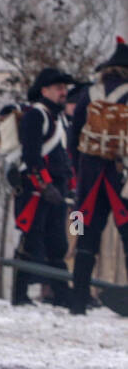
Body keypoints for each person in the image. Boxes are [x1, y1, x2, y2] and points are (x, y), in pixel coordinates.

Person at [69, 41, 128, 315]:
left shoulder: (88, 93)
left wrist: (78, 169)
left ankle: (77, 299)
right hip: (121, 178)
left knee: (83, 234)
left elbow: (74, 135)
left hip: (88, 179)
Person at [10, 67, 76, 306]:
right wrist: (45, 185)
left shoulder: (60, 119)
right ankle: (19, 296)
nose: (63, 93)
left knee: (57, 244)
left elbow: (66, 157)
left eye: (64, 89)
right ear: (44, 90)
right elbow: (32, 157)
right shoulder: (35, 116)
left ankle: (61, 295)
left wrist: (68, 187)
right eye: (59, 88)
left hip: (57, 190)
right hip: (37, 191)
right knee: (30, 241)